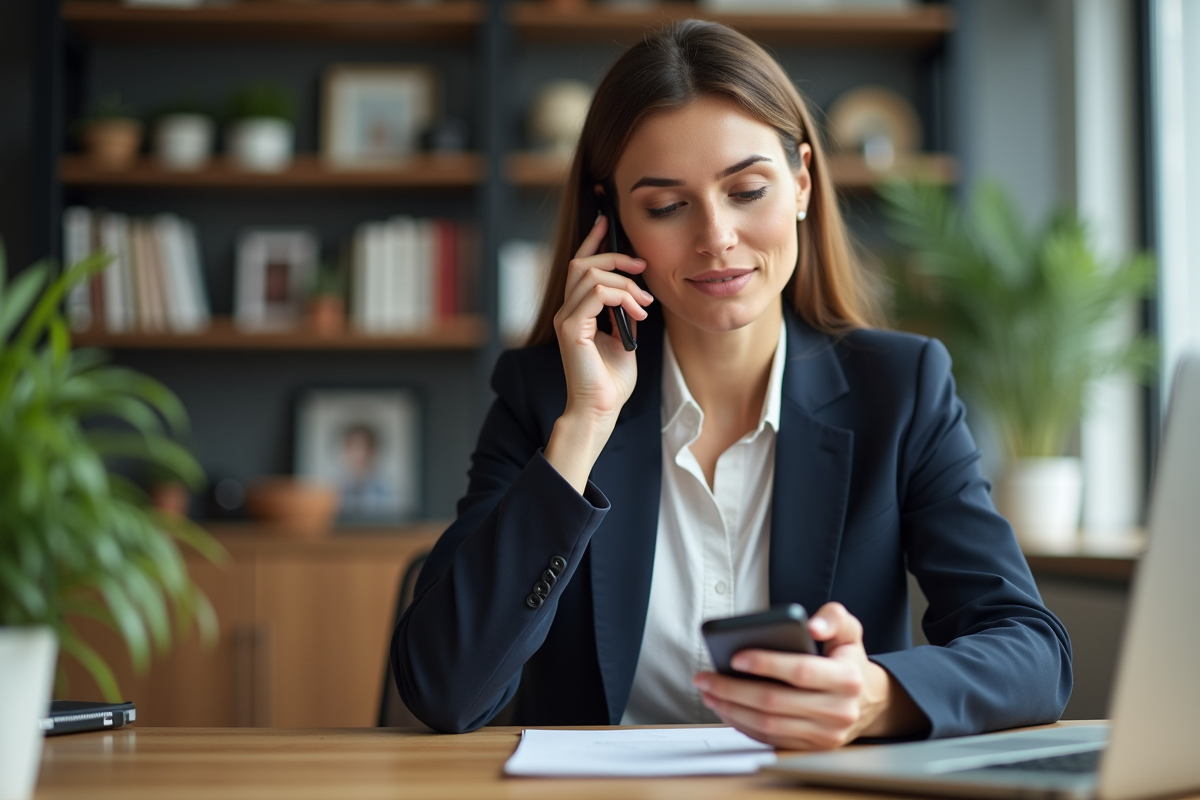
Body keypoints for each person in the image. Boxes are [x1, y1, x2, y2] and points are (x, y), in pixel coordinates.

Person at [393, 19, 1071, 749]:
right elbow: (445, 688)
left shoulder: (901, 389)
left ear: (803, 182)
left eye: (747, 190)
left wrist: (878, 696)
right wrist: (584, 424)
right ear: (613, 221)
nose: (715, 236)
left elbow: (1032, 651)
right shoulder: (544, 395)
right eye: (665, 206)